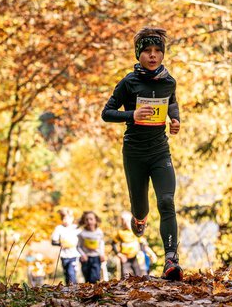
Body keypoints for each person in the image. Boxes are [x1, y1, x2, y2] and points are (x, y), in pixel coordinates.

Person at [101, 26, 183, 281]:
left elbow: (172, 101)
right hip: (134, 153)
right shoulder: (129, 82)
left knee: (167, 201)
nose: (153, 55)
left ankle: (171, 259)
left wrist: (175, 119)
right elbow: (107, 112)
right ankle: (139, 219)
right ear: (139, 54)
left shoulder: (169, 80)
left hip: (160, 151)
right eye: (147, 50)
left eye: (158, 50)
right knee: (140, 206)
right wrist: (132, 115)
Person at [51, 207, 81, 285]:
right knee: (67, 274)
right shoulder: (59, 228)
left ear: (72, 218)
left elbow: (82, 237)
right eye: (63, 219)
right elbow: (53, 241)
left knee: (71, 273)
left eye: (68, 218)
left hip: (74, 254)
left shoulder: (76, 228)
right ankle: (68, 291)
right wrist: (59, 244)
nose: (66, 221)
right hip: (64, 255)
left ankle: (74, 289)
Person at [112, 211, 144, 278]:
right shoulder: (120, 232)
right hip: (125, 258)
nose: (126, 222)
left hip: (135, 257)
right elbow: (113, 243)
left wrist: (141, 252)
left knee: (138, 275)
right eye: (123, 220)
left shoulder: (135, 231)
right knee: (125, 275)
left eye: (127, 220)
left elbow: (141, 242)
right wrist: (119, 254)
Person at [77, 211, 106, 283]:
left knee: (95, 278)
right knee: (87, 279)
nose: (89, 221)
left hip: (96, 258)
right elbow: (78, 247)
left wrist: (102, 254)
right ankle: (88, 293)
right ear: (84, 221)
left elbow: (101, 244)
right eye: (86, 220)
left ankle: (96, 292)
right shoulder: (82, 234)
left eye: (91, 219)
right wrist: (83, 255)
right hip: (86, 259)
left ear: (95, 220)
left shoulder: (99, 232)